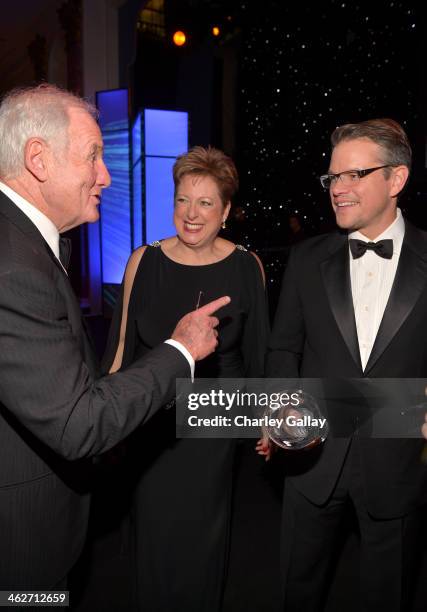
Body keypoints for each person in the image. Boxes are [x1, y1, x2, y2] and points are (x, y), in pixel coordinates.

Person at [0, 84, 229, 590]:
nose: (105, 175)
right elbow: (79, 417)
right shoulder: (13, 263)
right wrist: (182, 349)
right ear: (38, 158)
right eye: (93, 157)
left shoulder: (22, 243)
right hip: (19, 552)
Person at [264, 118, 427, 611]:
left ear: (395, 180)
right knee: (298, 592)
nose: (338, 189)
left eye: (355, 175)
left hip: (397, 465)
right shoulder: (306, 258)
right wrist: (281, 408)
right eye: (333, 177)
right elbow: (283, 349)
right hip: (312, 463)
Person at [102, 145, 269, 612]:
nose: (190, 214)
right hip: (152, 419)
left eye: (205, 203)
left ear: (227, 211)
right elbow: (119, 351)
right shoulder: (144, 261)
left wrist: (265, 420)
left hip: (215, 424)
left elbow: (259, 353)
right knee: (155, 535)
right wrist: (108, 423)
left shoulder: (246, 266)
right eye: (182, 200)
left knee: (205, 538)